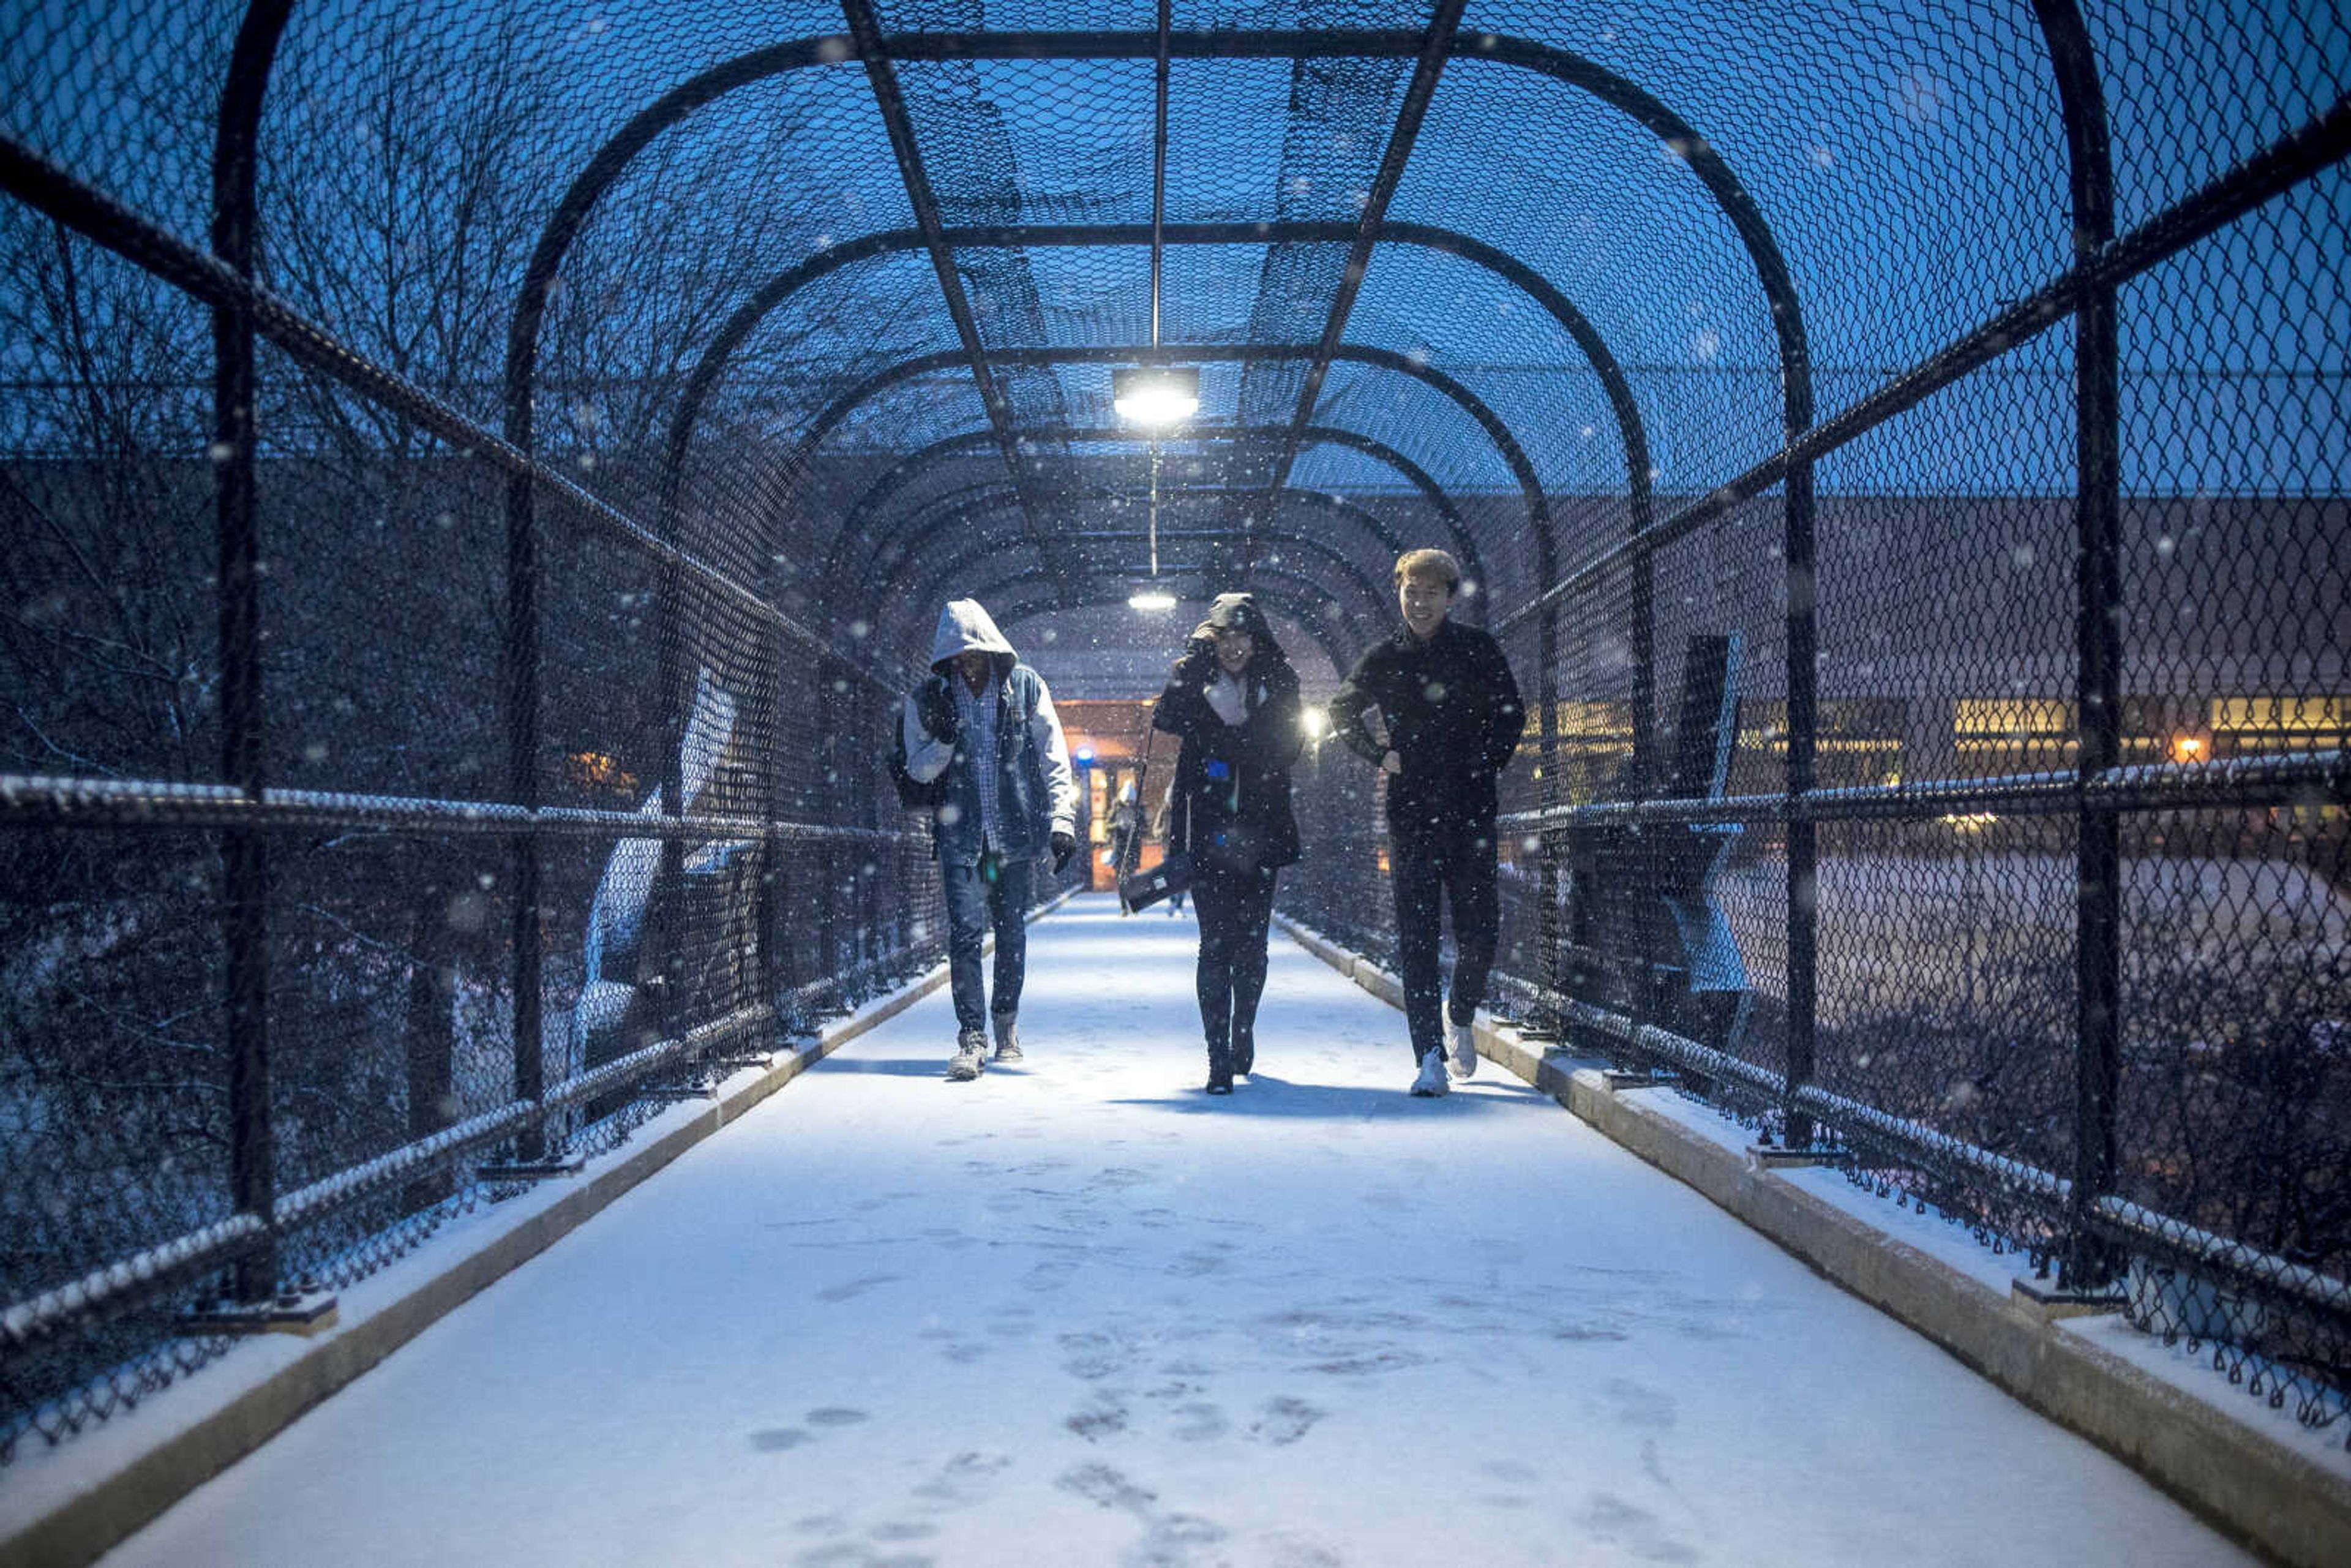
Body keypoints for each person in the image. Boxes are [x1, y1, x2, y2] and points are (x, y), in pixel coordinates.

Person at [1327, 549, 1523, 1097]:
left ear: (1448, 596)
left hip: (1471, 811)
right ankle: (1428, 1057)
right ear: (1400, 593)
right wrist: (1377, 754)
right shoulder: (1385, 656)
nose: (1419, 602)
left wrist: (1485, 762)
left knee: (1481, 930)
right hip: (1411, 814)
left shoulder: (1478, 651)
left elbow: (1513, 711)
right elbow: (1341, 710)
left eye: (1431, 592)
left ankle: (1459, 1012)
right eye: (1411, 591)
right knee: (1417, 938)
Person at [899, 599, 1079, 1081]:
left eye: (975, 655)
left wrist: (1063, 820)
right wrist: (945, 741)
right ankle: (971, 1034)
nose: (969, 666)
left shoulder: (1024, 687)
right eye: (960, 658)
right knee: (964, 932)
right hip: (962, 837)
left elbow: (1052, 756)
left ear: (992, 650)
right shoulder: (930, 698)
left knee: (1011, 930)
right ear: (948, 659)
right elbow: (915, 768)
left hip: (1012, 833)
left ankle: (1006, 1022)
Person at [1151, 593, 1302, 1094]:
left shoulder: (1279, 679)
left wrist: (1234, 748)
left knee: (1253, 943)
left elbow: (1291, 745)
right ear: (1210, 639)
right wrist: (1194, 665)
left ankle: (1243, 1031)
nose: (1234, 648)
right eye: (1224, 638)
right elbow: (1165, 718)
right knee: (1215, 941)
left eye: (1243, 637)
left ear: (1257, 640)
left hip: (1261, 827)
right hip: (1209, 828)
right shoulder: (1196, 678)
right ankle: (1218, 1056)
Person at [1106, 781, 1144, 882]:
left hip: (1133, 846)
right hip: (1120, 846)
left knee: (1131, 875)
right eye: (1127, 801)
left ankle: (1128, 892)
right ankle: (1123, 891)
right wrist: (1118, 825)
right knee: (1120, 874)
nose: (1129, 804)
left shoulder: (1138, 811)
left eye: (1130, 801)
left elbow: (1144, 828)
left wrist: (1135, 827)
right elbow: (1108, 827)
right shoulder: (1116, 810)